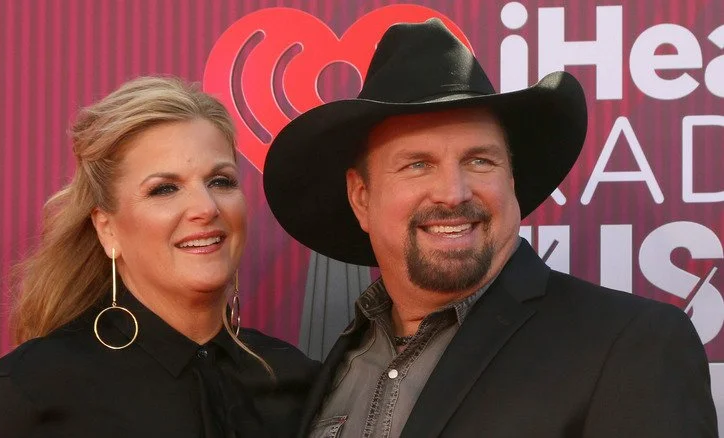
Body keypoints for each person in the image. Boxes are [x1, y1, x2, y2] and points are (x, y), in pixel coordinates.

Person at [263, 18, 717, 437]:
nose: (453, 192)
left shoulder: (633, 346)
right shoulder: (337, 366)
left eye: (480, 160)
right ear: (362, 197)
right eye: (417, 164)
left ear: (512, 181)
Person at [0, 76, 319, 437]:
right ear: (107, 228)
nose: (205, 207)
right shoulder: (40, 385)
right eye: (165, 189)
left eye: (220, 181)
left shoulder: (295, 381)